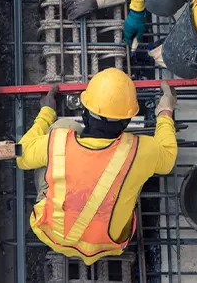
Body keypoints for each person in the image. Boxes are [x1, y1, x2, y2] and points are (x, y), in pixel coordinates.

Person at [16, 68, 178, 265]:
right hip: (108, 244)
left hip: (52, 233)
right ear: (127, 121)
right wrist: (165, 112)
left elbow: (22, 156)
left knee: (64, 127)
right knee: (135, 171)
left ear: (85, 113)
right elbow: (168, 158)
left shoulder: (58, 142)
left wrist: (46, 112)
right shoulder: (141, 150)